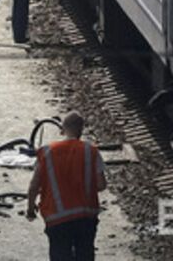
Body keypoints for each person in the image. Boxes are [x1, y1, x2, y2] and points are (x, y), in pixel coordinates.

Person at [26, 110, 106, 261]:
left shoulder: (47, 152)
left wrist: (31, 209)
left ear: (62, 130)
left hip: (57, 219)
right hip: (86, 218)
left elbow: (34, 186)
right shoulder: (91, 151)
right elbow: (101, 185)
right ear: (81, 130)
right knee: (85, 255)